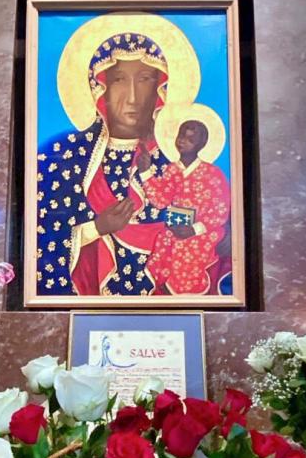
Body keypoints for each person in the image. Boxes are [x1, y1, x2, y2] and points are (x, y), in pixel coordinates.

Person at [36, 32, 173, 296]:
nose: (132, 97)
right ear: (101, 88)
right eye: (119, 79)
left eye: (144, 79)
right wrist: (96, 228)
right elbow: (41, 238)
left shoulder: (172, 161)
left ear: (159, 88)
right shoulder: (63, 157)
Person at [142, 118, 230, 295]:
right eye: (181, 136)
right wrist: (145, 172)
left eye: (190, 139)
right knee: (164, 240)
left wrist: (194, 229)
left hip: (204, 230)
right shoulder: (172, 170)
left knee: (186, 249)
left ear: (201, 145)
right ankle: (163, 289)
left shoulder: (213, 173)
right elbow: (161, 200)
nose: (183, 141)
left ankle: (184, 295)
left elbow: (220, 211)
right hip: (177, 227)